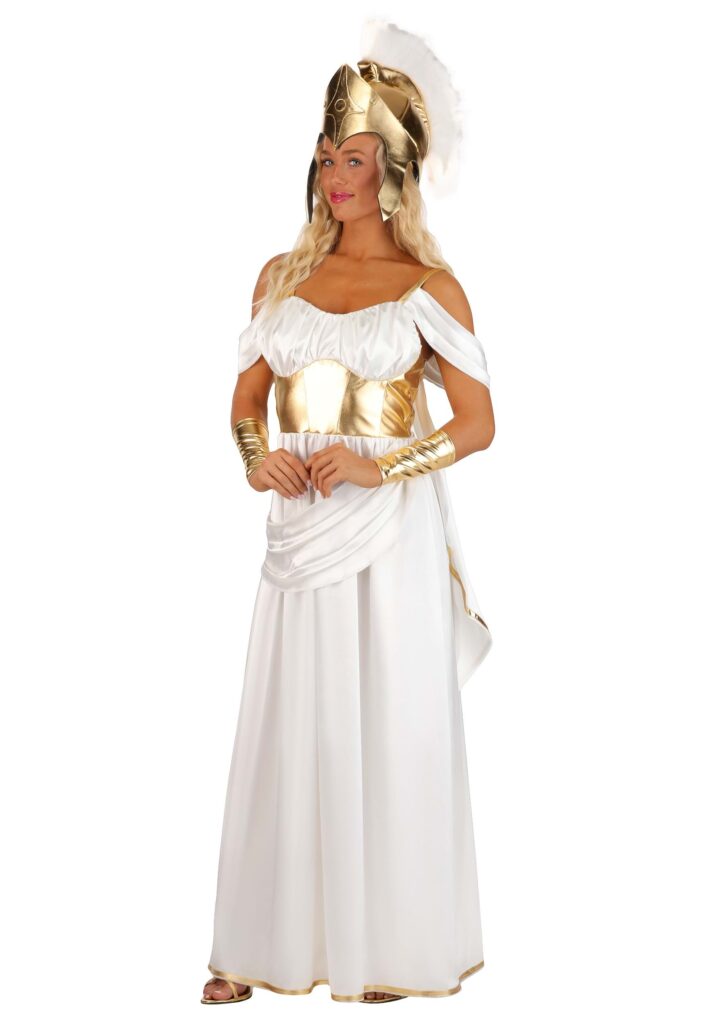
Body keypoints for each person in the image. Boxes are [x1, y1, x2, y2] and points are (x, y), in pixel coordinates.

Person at [201, 20, 495, 1005]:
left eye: (357, 159)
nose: (336, 175)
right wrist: (260, 463)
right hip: (300, 530)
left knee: (389, 722)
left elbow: (479, 423)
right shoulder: (279, 279)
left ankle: (388, 953)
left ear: (395, 172)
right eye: (329, 155)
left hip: (387, 532)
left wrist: (383, 467)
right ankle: (260, 947)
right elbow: (247, 403)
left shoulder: (427, 289)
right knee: (290, 728)